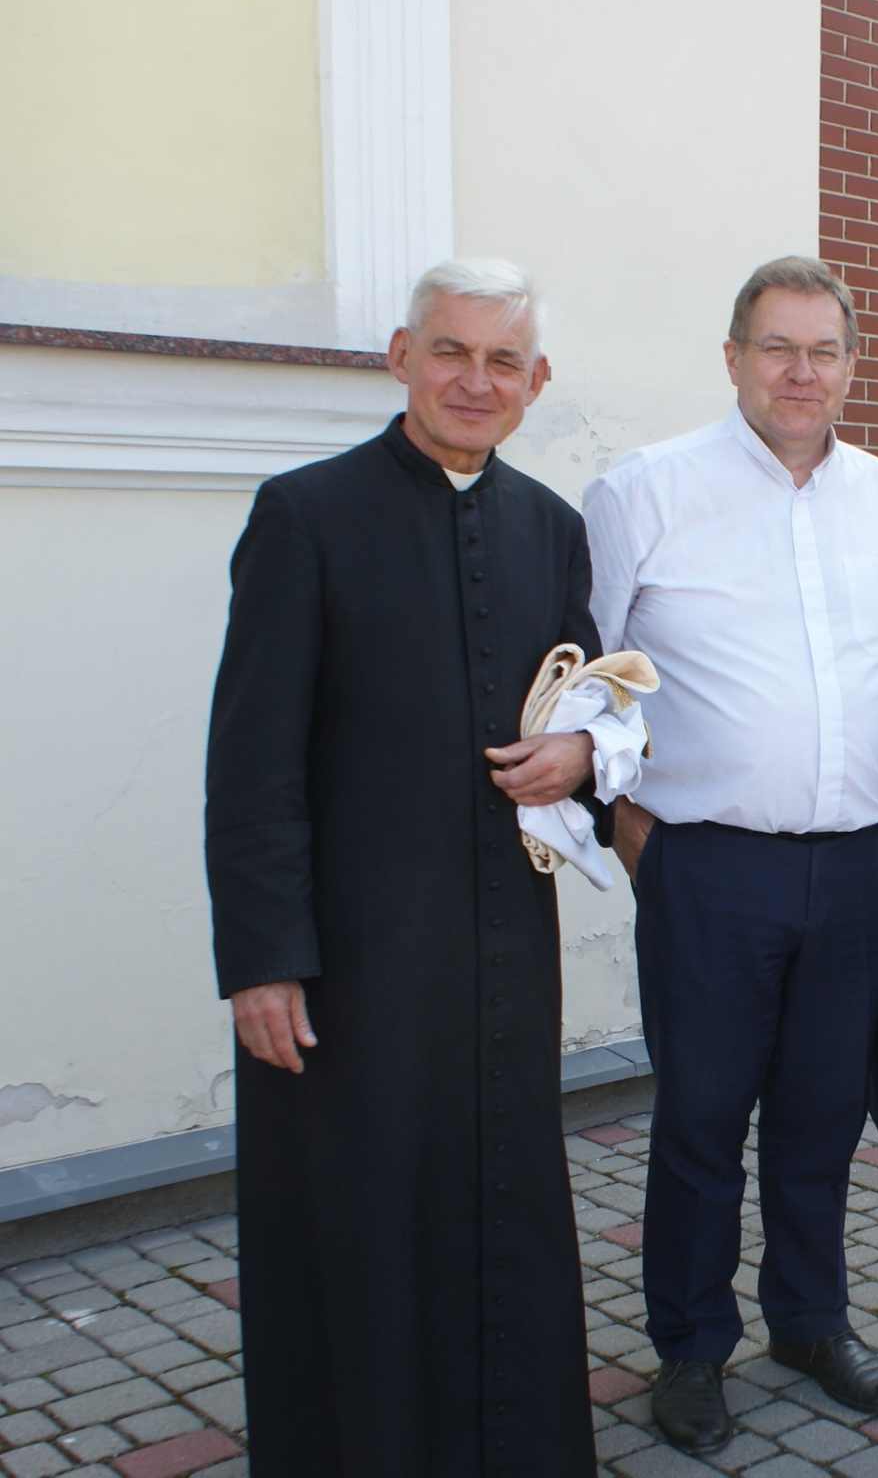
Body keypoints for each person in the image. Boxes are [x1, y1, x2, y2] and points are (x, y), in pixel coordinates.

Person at [204, 260, 599, 1476]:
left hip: (503, 951)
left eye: (502, 360)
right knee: (359, 1216)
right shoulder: (304, 515)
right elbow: (251, 759)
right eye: (450, 351)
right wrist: (264, 960)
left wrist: (583, 753)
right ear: (399, 356)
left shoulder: (553, 528)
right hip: (351, 959)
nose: (475, 381)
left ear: (536, 380)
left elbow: (591, 704)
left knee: (503, 1202)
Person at [582, 255, 878, 1454]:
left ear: (852, 365)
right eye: (777, 347)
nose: (801, 371)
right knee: (700, 1118)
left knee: (819, 1113)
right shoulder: (644, 492)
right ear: (733, 356)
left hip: (855, 869)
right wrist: (635, 836)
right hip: (706, 867)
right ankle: (692, 1346)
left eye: (823, 350)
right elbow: (584, 681)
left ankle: (809, 1319)